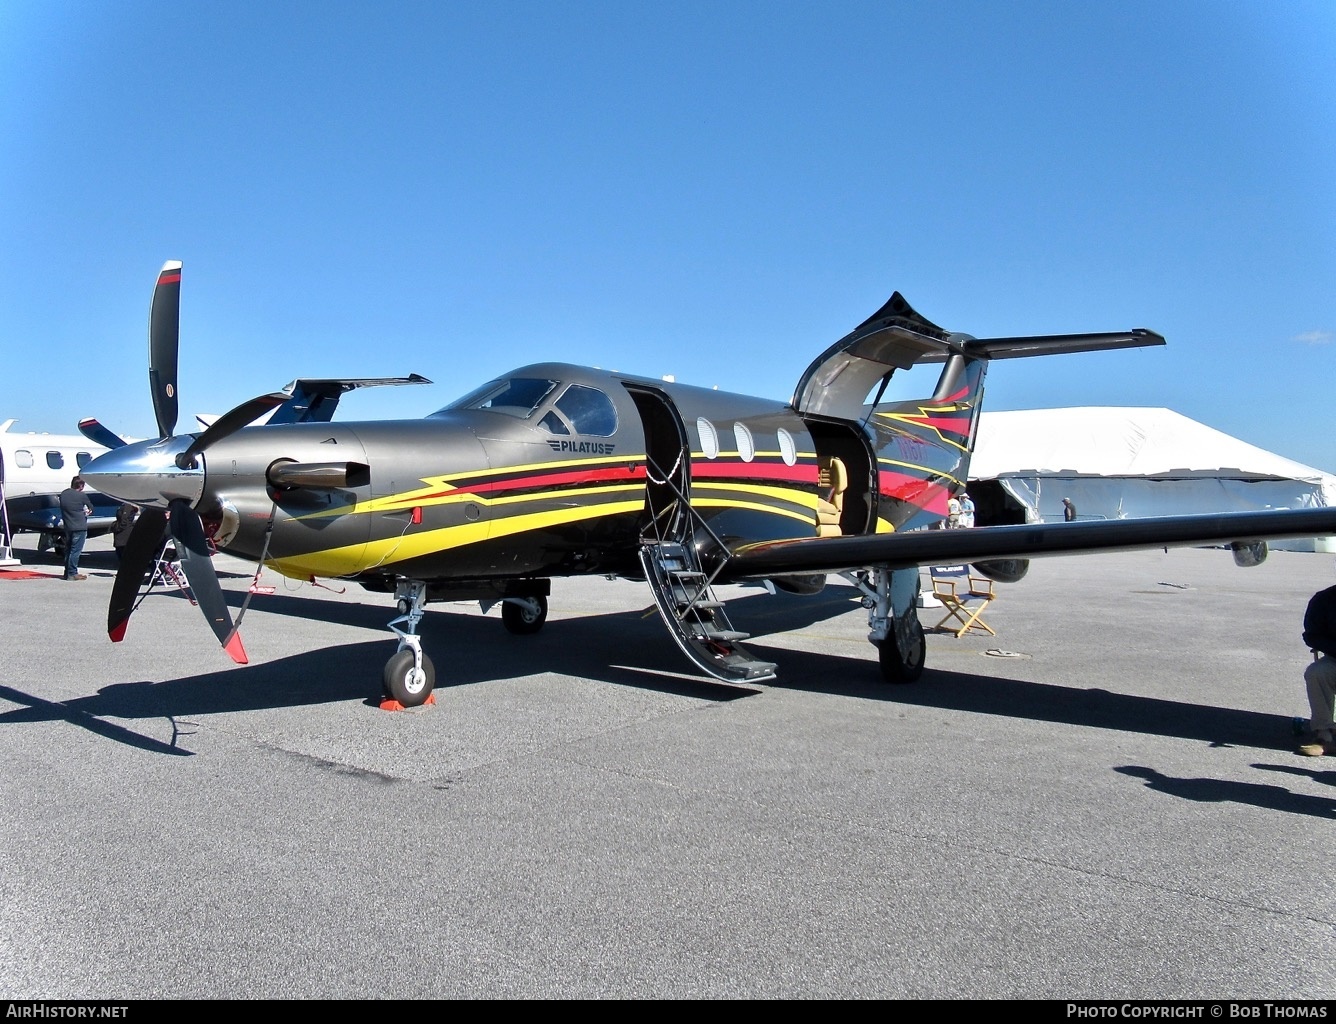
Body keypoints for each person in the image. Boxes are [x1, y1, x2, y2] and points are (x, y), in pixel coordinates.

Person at [1297, 581, 1336, 757]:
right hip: (1335, 659)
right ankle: (1325, 736)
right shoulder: (1325, 599)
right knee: (1316, 672)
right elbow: (1312, 635)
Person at [58, 475, 94, 580]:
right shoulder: (81, 496)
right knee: (75, 551)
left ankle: (67, 572)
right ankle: (72, 573)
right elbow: (91, 508)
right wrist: (88, 512)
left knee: (69, 550)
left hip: (68, 526)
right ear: (81, 485)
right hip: (79, 526)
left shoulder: (64, 494)